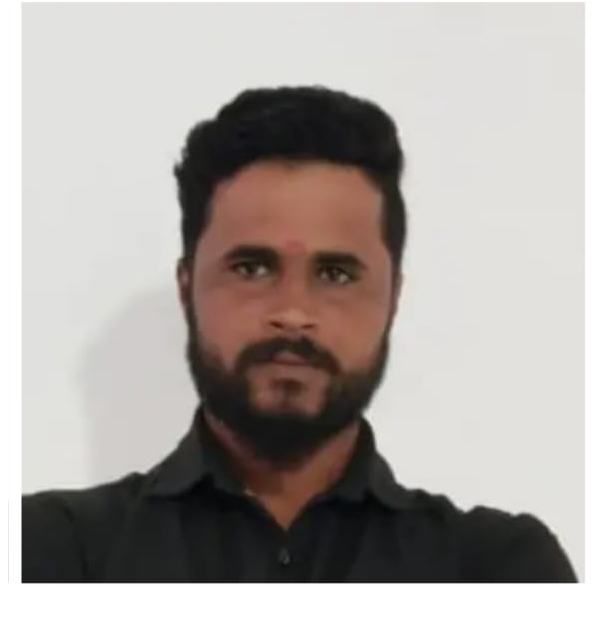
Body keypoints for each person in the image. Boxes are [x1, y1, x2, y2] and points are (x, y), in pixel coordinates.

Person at [22, 86, 577, 582]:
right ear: (186, 287)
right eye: (251, 268)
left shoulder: (496, 570)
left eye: (336, 274)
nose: (292, 312)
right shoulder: (49, 553)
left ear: (393, 299)